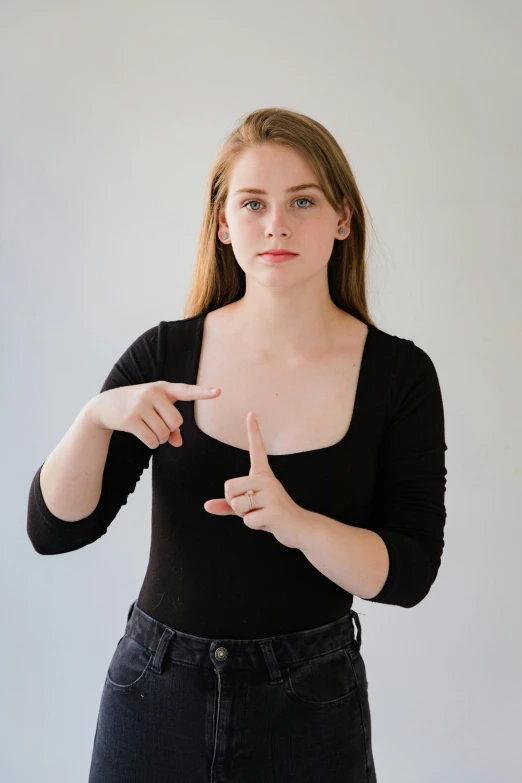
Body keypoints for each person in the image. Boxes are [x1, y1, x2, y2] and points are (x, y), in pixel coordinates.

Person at [27, 107, 447, 782]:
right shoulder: (166, 354)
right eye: (253, 203)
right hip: (154, 697)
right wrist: (95, 418)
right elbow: (54, 530)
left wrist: (297, 523)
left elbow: (409, 573)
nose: (275, 223)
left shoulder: (399, 376)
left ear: (342, 218)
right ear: (224, 223)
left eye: (302, 200)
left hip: (311, 707)